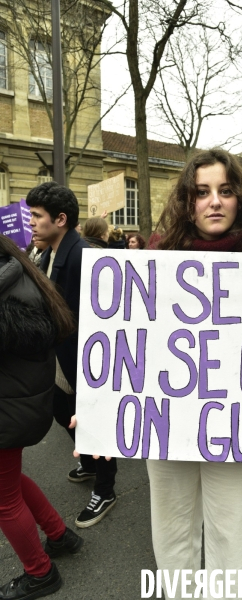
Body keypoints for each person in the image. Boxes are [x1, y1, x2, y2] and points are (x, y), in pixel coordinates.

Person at [148, 148, 242, 599]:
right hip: (168, 425)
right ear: (187, 202)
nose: (214, 202)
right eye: (201, 192)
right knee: (173, 532)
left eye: (225, 190)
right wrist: (97, 408)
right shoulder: (154, 260)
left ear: (240, 197)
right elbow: (125, 345)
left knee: (241, 537)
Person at [26, 182, 117, 528]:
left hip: (80, 359)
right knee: (61, 411)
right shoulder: (48, 253)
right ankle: (91, 465)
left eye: (37, 216)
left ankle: (105, 488)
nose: (32, 222)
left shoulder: (82, 256)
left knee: (93, 423)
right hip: (59, 357)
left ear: (60, 219)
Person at [0, 234, 83, 599]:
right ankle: (59, 536)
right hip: (20, 405)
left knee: (4, 498)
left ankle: (40, 573)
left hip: (10, 409)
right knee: (9, 482)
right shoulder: (17, 271)